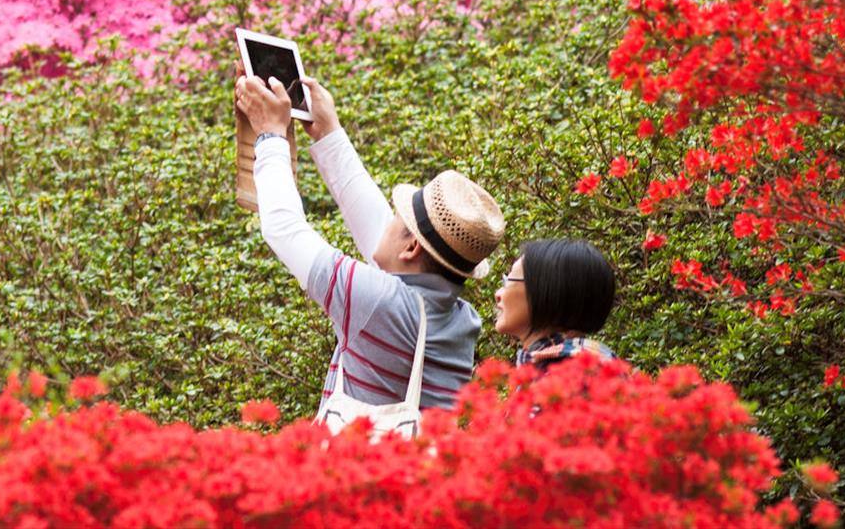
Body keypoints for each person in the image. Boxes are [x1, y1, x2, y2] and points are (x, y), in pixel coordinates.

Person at [237, 74, 505, 411]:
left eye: (398, 216)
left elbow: (283, 228)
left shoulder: (381, 304)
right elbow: (379, 233)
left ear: (411, 249)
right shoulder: (460, 318)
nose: (388, 219)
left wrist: (270, 136)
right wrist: (327, 132)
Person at [493, 239, 619, 370]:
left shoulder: (567, 375)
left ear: (547, 290)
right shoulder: (591, 365)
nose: (498, 294)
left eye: (508, 281)